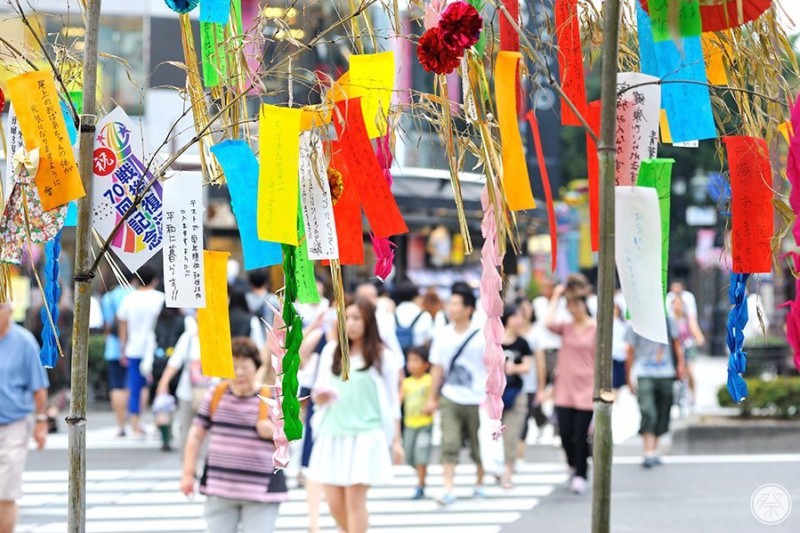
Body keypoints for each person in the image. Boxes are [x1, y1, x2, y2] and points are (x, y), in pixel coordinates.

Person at [308, 298, 403, 533]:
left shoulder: (383, 357)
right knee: (333, 503)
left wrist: (397, 441)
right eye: (346, 318)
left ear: (369, 322)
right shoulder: (332, 352)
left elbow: (392, 402)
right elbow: (317, 391)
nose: (350, 324)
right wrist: (319, 397)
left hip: (365, 436)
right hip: (332, 433)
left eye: (356, 318)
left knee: (354, 500)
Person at [181, 337, 288, 532]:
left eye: (244, 367)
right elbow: (196, 434)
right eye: (233, 367)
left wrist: (273, 431)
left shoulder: (272, 398)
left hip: (261, 492)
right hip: (220, 489)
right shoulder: (215, 394)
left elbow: (291, 437)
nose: (238, 373)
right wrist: (188, 473)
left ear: (256, 367)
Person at [426, 284, 486, 506]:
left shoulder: (482, 334)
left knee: (477, 445)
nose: (451, 308)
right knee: (449, 442)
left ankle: (480, 481)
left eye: (456, 304)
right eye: (450, 303)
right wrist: (432, 397)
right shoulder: (442, 334)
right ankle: (448, 487)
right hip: (450, 396)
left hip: (477, 398)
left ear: (469, 308)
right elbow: (437, 367)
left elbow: (491, 365)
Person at [0, 301, 49, 533]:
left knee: (6, 492)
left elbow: (38, 388)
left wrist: (41, 422)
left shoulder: (24, 341)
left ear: (9, 309)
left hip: (14, 424)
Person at [545, 282, 596, 495]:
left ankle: (581, 474)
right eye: (569, 305)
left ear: (584, 304)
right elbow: (547, 322)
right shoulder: (565, 328)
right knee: (565, 433)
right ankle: (573, 464)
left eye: (576, 304)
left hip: (586, 388)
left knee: (580, 433)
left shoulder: (596, 327)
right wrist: (556, 295)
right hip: (564, 388)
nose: (573, 309)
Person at [625, 321, 686, 468]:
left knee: (662, 412)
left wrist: (680, 366)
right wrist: (628, 378)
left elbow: (677, 344)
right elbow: (630, 351)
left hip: (666, 372)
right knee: (648, 411)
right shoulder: (635, 322)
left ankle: (654, 449)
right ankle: (648, 452)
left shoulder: (668, 321)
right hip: (644, 372)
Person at [117, 266, 165, 437]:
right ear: (155, 280)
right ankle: (160, 419)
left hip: (133, 348)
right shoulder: (161, 299)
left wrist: (122, 349)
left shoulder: (129, 299)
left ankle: (135, 423)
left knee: (135, 386)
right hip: (156, 348)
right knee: (159, 384)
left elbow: (123, 327)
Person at [500, 304, 535, 489]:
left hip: (516, 394)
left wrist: (514, 368)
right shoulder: (493, 339)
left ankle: (507, 472)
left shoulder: (523, 343)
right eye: (515, 317)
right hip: (494, 395)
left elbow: (527, 367)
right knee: (491, 435)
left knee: (511, 435)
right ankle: (495, 468)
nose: (519, 321)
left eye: (521, 317)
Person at [515, 296, 547, 459]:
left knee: (524, 419)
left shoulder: (535, 333)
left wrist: (541, 387)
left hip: (529, 384)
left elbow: (540, 362)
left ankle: (519, 454)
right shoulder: (509, 331)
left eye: (528, 309)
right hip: (511, 384)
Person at [100, 278, 133, 436]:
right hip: (132, 347)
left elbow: (106, 324)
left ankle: (120, 425)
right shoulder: (134, 295)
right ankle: (133, 421)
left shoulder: (108, 297)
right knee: (130, 385)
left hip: (112, 347)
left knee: (116, 386)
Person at [400, 345, 434, 499]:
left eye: (416, 361)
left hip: (425, 425)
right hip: (409, 425)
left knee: (421, 455)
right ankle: (421, 475)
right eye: (409, 361)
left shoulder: (429, 381)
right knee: (409, 456)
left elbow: (435, 399)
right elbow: (398, 400)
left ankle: (420, 484)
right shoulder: (406, 383)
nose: (412, 364)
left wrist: (431, 405)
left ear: (426, 364)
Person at [393, 281, 434, 353]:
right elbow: (428, 339)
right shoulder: (424, 315)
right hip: (417, 358)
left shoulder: (392, 314)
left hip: (396, 356)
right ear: (415, 297)